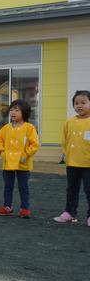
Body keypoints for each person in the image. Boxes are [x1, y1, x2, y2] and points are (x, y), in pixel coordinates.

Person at [0, 99, 39, 218]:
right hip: (8, 162)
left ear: (24, 112)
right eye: (12, 110)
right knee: (7, 186)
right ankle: (7, 207)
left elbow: (34, 144)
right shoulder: (6, 128)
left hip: (23, 164)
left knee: (23, 186)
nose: (13, 112)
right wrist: (2, 153)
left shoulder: (29, 128)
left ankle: (25, 208)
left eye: (17, 110)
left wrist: (25, 155)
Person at [53, 90, 90, 226]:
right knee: (72, 189)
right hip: (72, 162)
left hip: (88, 164)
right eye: (76, 103)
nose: (79, 106)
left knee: (89, 190)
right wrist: (66, 154)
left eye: (83, 103)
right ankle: (69, 213)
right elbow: (65, 140)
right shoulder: (69, 122)